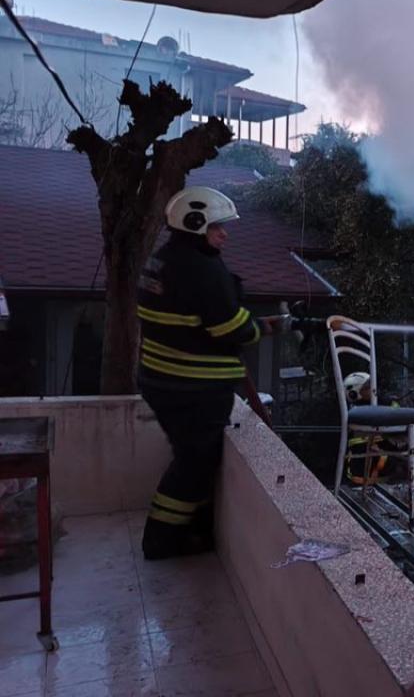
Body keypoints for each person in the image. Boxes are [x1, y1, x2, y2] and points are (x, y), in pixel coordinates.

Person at [136, 186, 281, 560]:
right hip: (192, 389)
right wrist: (264, 327)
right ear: (196, 223)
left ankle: (193, 526)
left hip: (159, 379)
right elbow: (232, 330)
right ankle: (161, 539)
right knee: (194, 461)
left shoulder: (160, 260)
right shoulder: (203, 269)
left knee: (190, 456)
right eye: (218, 226)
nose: (224, 234)